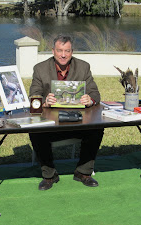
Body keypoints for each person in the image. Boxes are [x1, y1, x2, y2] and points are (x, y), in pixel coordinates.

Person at [29, 34, 104, 191]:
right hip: (50, 123)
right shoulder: (40, 69)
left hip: (78, 121)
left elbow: (95, 94)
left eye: (67, 51)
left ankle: (83, 172)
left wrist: (89, 99)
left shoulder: (84, 67)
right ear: (53, 51)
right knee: (35, 130)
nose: (63, 55)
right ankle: (49, 175)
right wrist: (44, 101)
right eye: (59, 50)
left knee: (97, 128)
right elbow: (33, 96)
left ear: (72, 51)